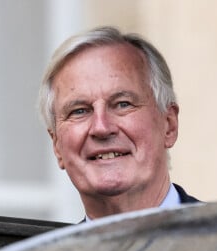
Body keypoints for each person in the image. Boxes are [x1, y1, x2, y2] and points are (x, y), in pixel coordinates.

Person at [38, 25, 199, 221]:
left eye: (122, 104)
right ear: (56, 145)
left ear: (169, 125)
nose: (101, 127)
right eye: (79, 111)